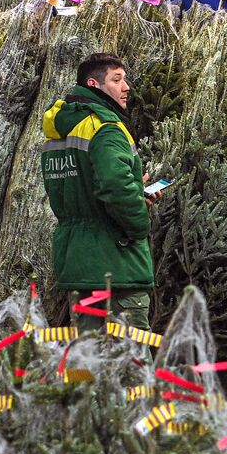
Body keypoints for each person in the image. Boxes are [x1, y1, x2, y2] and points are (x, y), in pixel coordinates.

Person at [40, 52, 155, 332]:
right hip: (116, 264)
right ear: (93, 84)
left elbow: (84, 190)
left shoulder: (60, 134)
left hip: (79, 264)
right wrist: (139, 225)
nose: (126, 87)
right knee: (130, 363)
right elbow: (115, 188)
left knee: (87, 357)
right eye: (117, 80)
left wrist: (135, 190)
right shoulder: (107, 129)